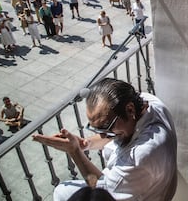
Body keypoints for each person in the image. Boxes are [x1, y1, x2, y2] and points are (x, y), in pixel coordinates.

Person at [32, 78, 178, 201]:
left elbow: (98, 190)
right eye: (98, 129)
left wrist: (75, 151)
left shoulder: (140, 157)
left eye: (107, 126)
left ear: (130, 109)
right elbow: (112, 135)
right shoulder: (149, 102)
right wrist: (85, 144)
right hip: (154, 186)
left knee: (60, 192)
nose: (105, 134)